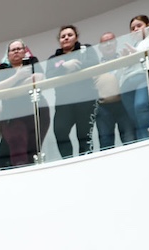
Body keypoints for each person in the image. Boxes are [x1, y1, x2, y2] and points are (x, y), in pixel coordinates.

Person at [0, 40, 50, 167]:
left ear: (24, 51)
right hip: (12, 116)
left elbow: (38, 79)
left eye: (19, 48)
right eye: (13, 50)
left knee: (33, 150)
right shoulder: (3, 68)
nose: (16, 51)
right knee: (16, 147)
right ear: (8, 54)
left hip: (36, 113)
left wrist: (8, 90)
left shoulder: (32, 61)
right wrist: (18, 76)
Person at [46, 25, 99, 158]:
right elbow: (49, 76)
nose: (66, 38)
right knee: (60, 132)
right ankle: (68, 161)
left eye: (70, 35)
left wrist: (75, 66)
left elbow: (94, 63)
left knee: (84, 135)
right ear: (59, 40)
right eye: (63, 36)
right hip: (63, 103)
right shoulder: (53, 58)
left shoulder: (86, 49)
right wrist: (64, 67)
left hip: (86, 99)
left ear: (76, 37)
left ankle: (85, 161)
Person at [94, 33, 134, 150]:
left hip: (124, 104)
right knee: (106, 142)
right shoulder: (95, 67)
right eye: (104, 42)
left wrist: (126, 60)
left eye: (111, 40)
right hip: (103, 107)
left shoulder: (125, 58)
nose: (108, 44)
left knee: (130, 140)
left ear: (116, 43)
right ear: (100, 48)